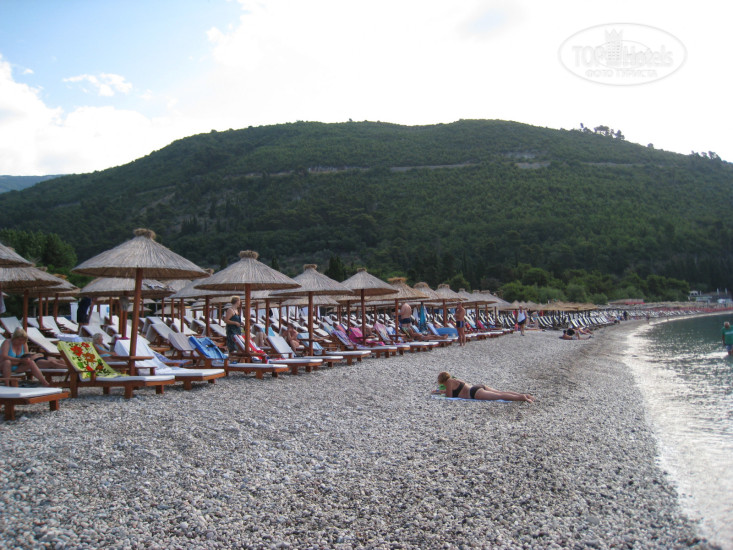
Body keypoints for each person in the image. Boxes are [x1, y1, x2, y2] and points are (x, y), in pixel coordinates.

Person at [435, 371, 534, 403]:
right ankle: (524, 395)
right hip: (477, 387)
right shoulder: (455, 379)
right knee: (500, 392)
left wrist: (441, 392)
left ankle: (521, 398)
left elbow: (449, 396)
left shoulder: (448, 382)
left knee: (499, 396)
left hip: (474, 393)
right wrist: (441, 391)